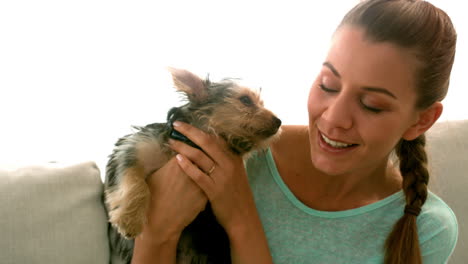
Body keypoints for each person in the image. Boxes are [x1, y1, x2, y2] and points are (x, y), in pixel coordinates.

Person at [130, 0, 458, 263]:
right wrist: (156, 232)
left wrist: (241, 218)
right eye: (328, 85)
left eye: (372, 104)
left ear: (422, 121)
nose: (333, 119)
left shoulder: (426, 229)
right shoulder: (229, 151)